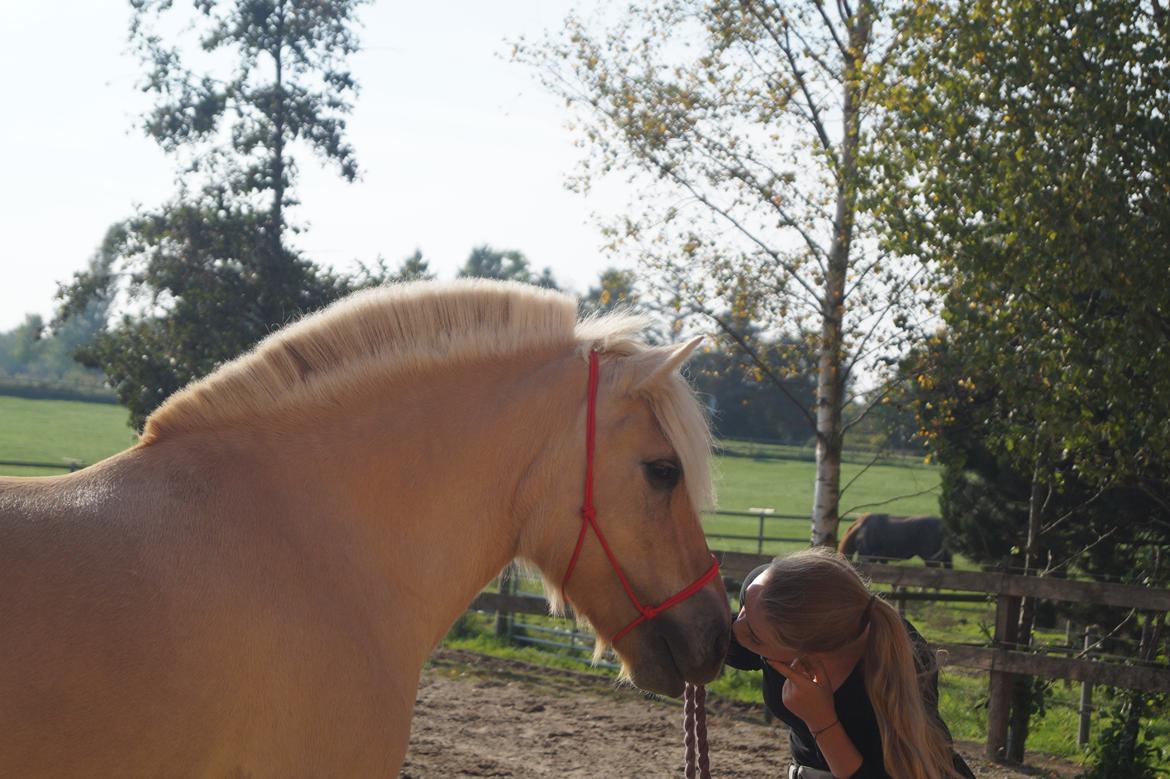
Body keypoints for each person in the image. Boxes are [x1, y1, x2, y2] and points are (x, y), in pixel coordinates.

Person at [727, 547, 976, 779]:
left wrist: (821, 720)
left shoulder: (889, 681)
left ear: (810, 650)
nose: (735, 627)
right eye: (744, 607)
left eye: (754, 636)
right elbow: (738, 649)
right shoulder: (766, 596)